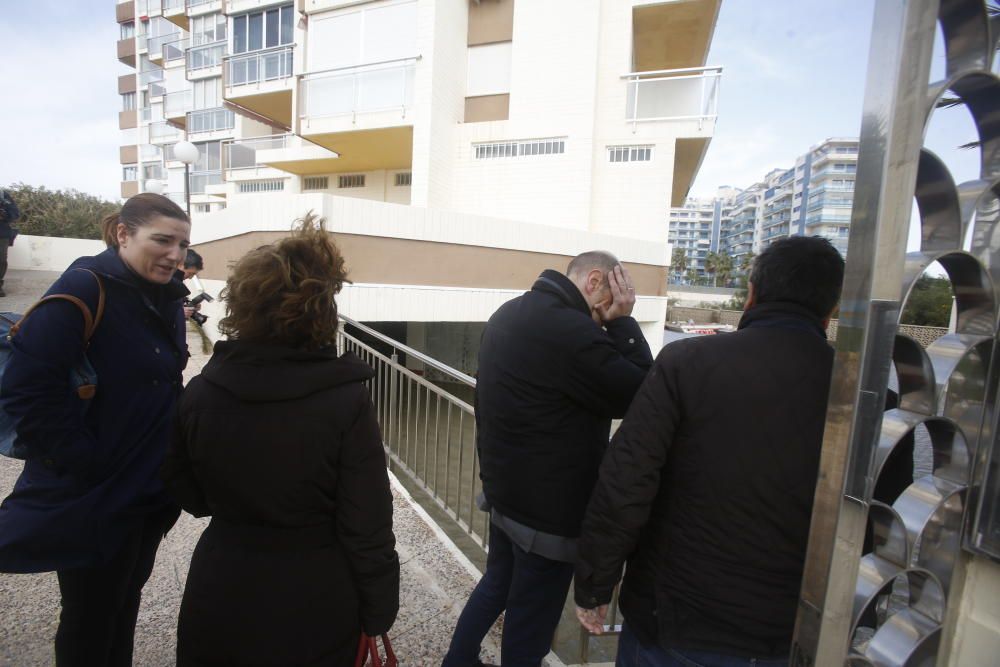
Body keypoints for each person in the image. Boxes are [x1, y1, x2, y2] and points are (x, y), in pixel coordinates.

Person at [573, 236, 846, 667]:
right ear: (832, 310)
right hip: (789, 634)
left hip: (678, 621)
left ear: (752, 294)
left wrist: (594, 585)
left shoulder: (688, 363)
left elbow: (627, 479)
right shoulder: (862, 396)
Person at [162, 213, 400, 666]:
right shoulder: (346, 401)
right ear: (322, 311)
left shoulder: (203, 391)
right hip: (316, 590)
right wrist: (378, 606)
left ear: (243, 305)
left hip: (223, 579)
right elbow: (366, 520)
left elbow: (185, 488)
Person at [0, 193, 192, 666]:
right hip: (98, 496)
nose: (175, 254)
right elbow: (25, 390)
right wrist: (86, 463)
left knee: (123, 604)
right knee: (90, 616)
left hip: (147, 493)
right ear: (123, 234)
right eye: (163, 240)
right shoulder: (83, 289)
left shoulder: (164, 297)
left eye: (183, 244)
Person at [442, 252, 654, 667]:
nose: (604, 314)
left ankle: (457, 661)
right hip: (548, 518)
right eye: (606, 301)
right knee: (530, 625)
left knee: (496, 586)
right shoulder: (571, 331)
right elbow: (641, 392)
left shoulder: (509, 312)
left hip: (504, 494)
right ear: (594, 280)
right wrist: (623, 322)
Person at [0, 188, 21, 297]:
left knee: (1, 259)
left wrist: (5, 214)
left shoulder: (3, 195)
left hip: (2, 233)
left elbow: (16, 213)